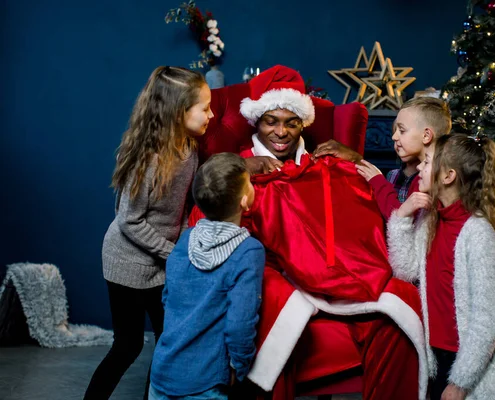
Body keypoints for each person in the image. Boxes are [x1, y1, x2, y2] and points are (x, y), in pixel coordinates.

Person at [188, 65, 427, 400]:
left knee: (398, 313)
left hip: (343, 279)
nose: (281, 132)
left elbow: (362, 221)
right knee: (274, 314)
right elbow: (206, 225)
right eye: (272, 120)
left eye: (291, 122)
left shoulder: (328, 163)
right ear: (257, 120)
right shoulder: (236, 171)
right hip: (282, 284)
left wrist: (355, 162)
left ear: (304, 123)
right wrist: (241, 169)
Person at [84, 66, 214, 400]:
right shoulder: (152, 158)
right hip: (126, 262)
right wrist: (175, 253)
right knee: (127, 346)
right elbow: (129, 221)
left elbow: (183, 208)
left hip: (159, 262)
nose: (211, 115)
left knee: (167, 342)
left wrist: (185, 243)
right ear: (178, 112)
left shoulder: (190, 149)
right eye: (205, 108)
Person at [387, 133, 495, 399]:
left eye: (428, 162)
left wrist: (459, 383)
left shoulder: (478, 233)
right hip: (436, 356)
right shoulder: (428, 220)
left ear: (448, 177)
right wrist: (401, 216)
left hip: (469, 366)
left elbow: (490, 320)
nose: (420, 167)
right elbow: (405, 270)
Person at [149, 152, 265, 400]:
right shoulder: (248, 251)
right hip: (205, 382)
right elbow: (240, 323)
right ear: (245, 201)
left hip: (162, 372)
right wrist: (239, 366)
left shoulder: (186, 239)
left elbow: (168, 299)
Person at [313, 97, 452, 220]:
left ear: (426, 136)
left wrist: (378, 181)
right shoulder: (395, 175)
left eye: (402, 131)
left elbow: (402, 221)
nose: (394, 137)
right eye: (394, 131)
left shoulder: (430, 180)